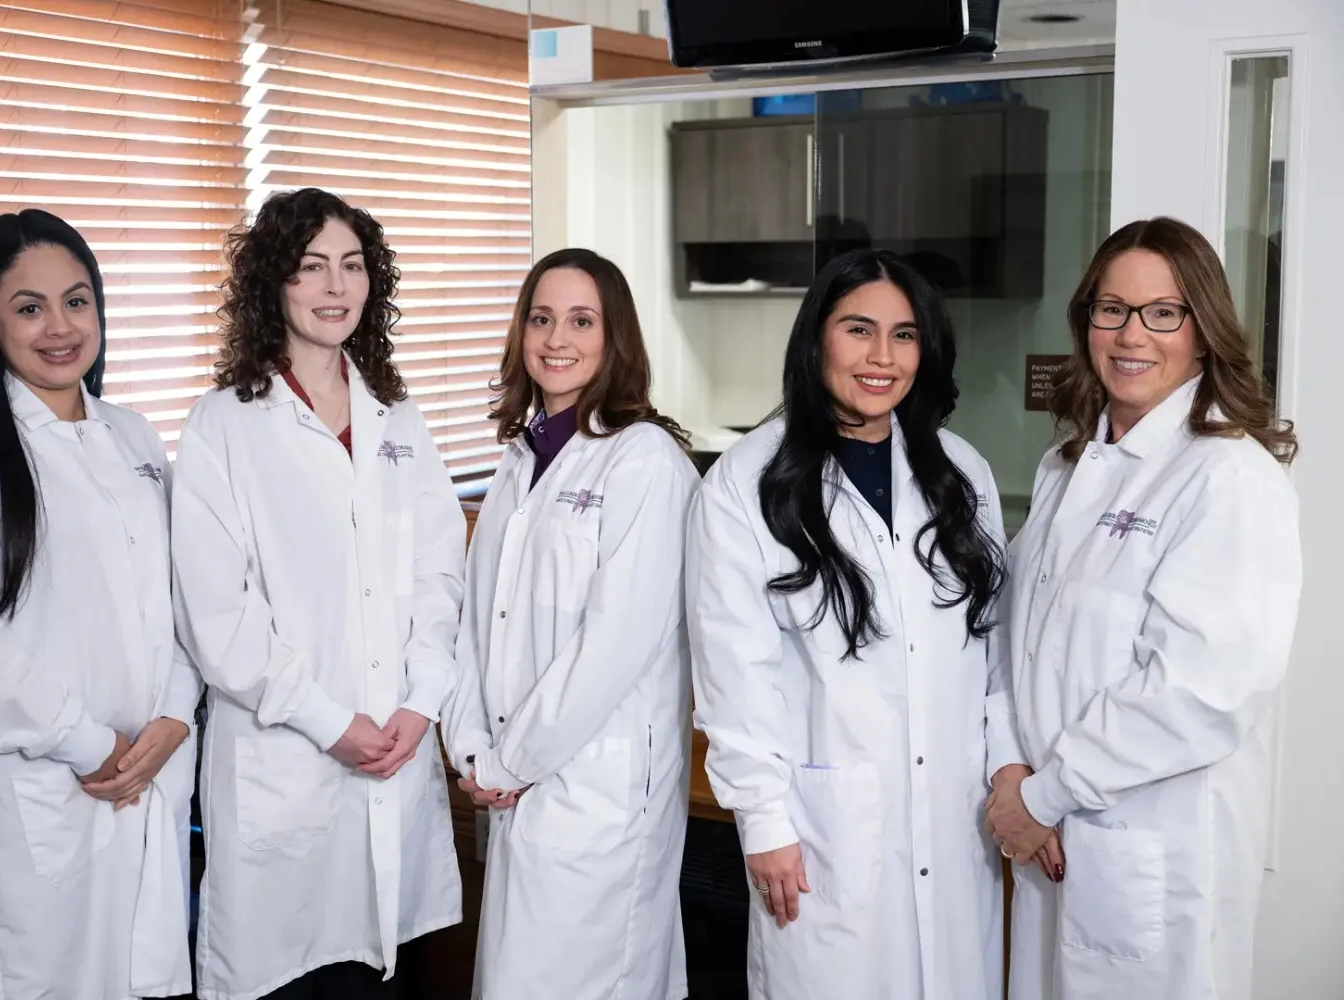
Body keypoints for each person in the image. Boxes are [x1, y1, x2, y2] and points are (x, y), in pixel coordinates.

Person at [687, 248, 1018, 1000]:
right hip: (822, 831)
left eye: (904, 335)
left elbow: (991, 651)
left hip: (954, 822)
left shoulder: (961, 471)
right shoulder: (746, 482)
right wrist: (763, 823)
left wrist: (1007, 773)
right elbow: (735, 677)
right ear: (816, 341)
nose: (882, 357)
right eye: (858, 330)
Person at [987, 217, 1302, 1000]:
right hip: (1050, 837)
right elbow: (1008, 633)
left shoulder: (1227, 475)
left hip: (1148, 853)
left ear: (1203, 330)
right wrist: (1010, 768)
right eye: (1111, 308)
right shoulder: (1067, 466)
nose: (1132, 334)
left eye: (1163, 312)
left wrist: (1045, 795)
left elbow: (1198, 692)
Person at [0, 209, 199, 999]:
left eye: (78, 300)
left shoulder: (134, 439)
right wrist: (88, 743)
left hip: (147, 772)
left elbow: (180, 599)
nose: (59, 327)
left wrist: (173, 716)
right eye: (29, 308)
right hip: (43, 793)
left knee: (146, 975)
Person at [170, 187, 465, 1000]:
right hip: (286, 766)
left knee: (380, 968)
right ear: (274, 284)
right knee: (291, 976)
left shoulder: (399, 420)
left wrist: (422, 702)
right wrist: (331, 723)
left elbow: (441, 573)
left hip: (396, 752)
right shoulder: (222, 425)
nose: (335, 287)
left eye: (351, 266)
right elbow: (217, 618)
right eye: (310, 267)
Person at [443, 248, 697, 1000]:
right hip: (514, 782)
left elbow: (613, 647)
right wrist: (468, 746)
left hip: (596, 792)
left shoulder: (645, 463)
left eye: (581, 321)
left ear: (614, 337)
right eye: (541, 318)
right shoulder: (521, 461)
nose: (558, 338)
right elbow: (475, 623)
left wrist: (507, 762)